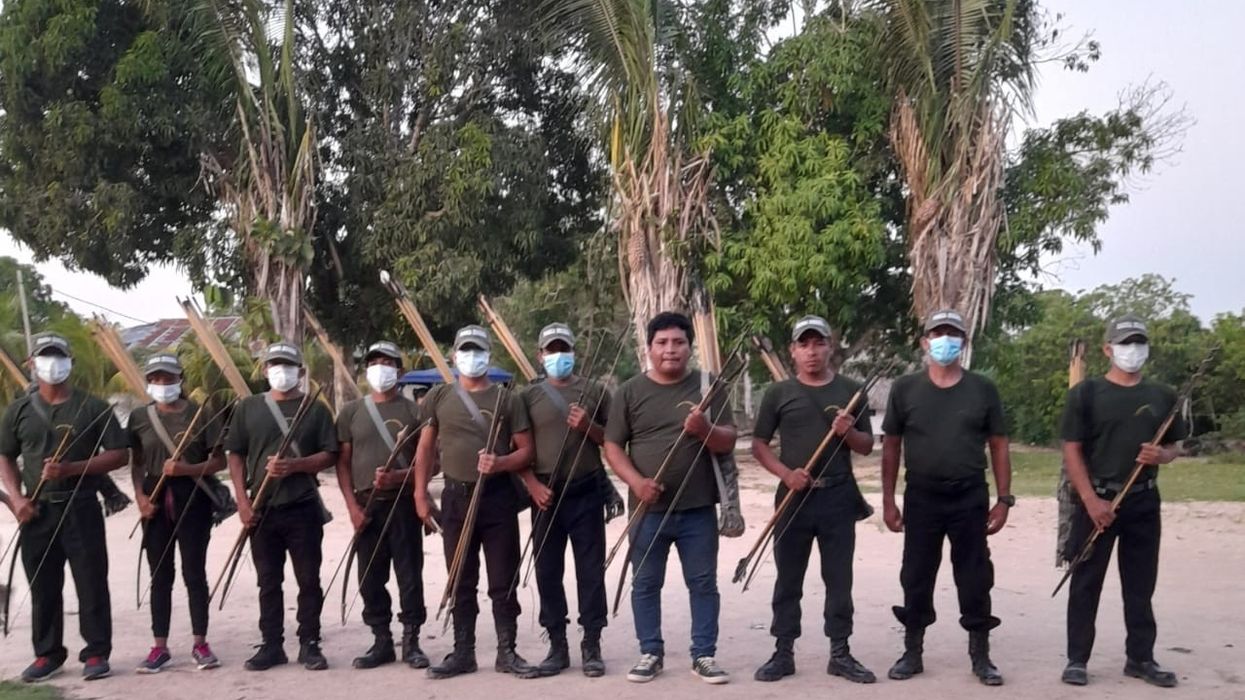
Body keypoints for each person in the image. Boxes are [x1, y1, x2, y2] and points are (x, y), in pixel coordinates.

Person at [604, 311, 736, 685]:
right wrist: (636, 482)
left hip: (698, 511)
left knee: (703, 583)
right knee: (645, 583)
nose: (670, 350)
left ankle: (704, 655)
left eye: (678, 342)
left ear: (689, 347)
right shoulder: (629, 391)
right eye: (661, 343)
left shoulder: (710, 386)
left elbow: (728, 439)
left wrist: (705, 428)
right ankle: (650, 652)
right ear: (649, 348)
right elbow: (612, 446)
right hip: (647, 511)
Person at [881, 309, 1012, 686]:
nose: (945, 341)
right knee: (916, 574)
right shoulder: (905, 389)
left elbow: (999, 445)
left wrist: (1004, 499)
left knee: (974, 575)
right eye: (938, 334)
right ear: (925, 342)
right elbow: (891, 447)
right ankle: (912, 650)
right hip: (921, 495)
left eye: (953, 334)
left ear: (963, 342)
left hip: (969, 495)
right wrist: (889, 500)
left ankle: (981, 654)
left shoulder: (983, 389)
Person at [413, 325, 549, 680]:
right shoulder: (439, 397)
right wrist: (420, 493)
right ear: (455, 356)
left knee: (503, 579)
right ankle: (463, 653)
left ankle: (507, 652)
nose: (472, 357)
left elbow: (527, 451)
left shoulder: (509, 399)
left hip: (498, 498)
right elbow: (425, 449)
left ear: (488, 355)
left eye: (478, 350)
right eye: (465, 350)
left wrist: (501, 463)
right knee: (460, 577)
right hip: (456, 498)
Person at [1058, 315, 1187, 688]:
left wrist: (1161, 456)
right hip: (1097, 499)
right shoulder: (1086, 393)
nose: (1133, 350)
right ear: (1108, 349)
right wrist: (1091, 500)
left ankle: (1141, 658)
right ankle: (1077, 659)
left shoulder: (1162, 395)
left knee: (1141, 583)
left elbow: (1175, 446)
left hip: (1143, 501)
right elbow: (1072, 449)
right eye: (1125, 343)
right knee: (1085, 581)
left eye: (1138, 342)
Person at [750, 315, 876, 684]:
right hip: (792, 497)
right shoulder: (778, 394)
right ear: (792, 351)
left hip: (837, 495)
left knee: (839, 579)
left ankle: (840, 652)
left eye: (818, 343)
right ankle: (783, 652)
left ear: (829, 346)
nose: (811, 351)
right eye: (803, 344)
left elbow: (867, 446)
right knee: (788, 579)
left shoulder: (852, 391)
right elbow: (759, 445)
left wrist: (848, 431)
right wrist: (786, 474)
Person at [0, 332, 129, 682]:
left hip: (81, 506)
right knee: (43, 585)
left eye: (58, 355)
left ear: (69, 362)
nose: (52, 363)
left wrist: (72, 469)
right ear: (31, 363)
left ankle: (96, 653)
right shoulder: (19, 410)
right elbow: (5, 457)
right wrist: (15, 498)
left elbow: (119, 453)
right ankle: (48, 654)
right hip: (37, 511)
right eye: (45, 356)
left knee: (91, 582)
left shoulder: (92, 407)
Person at [225, 342, 338, 672]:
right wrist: (243, 503)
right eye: (274, 364)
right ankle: (272, 645)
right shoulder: (248, 408)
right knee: (268, 581)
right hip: (262, 509)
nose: (281, 371)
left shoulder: (315, 409)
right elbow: (235, 455)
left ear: (301, 373)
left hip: (302, 506)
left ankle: (310, 643)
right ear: (263, 370)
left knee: (308, 579)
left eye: (288, 365)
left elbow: (331, 454)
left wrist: (298, 465)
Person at [522, 323, 611, 677]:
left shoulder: (596, 391)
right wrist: (531, 484)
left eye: (564, 348)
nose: (558, 355)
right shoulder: (526, 397)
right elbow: (515, 447)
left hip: (586, 490)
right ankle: (557, 644)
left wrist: (588, 426)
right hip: (545, 493)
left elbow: (614, 441)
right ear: (540, 354)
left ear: (573, 351)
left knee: (590, 570)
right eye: (551, 349)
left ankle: (592, 643)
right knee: (547, 571)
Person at [129, 353, 226, 673]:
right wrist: (141, 496)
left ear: (180, 379)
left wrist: (187, 468)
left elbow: (218, 462)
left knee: (194, 573)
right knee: (160, 575)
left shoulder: (201, 414)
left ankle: (200, 642)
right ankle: (160, 647)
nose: (162, 384)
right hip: (155, 500)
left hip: (193, 497)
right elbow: (138, 461)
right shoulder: (140, 417)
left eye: (168, 378)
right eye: (155, 378)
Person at [335, 341, 428, 670]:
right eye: (375, 361)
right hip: (366, 505)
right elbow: (342, 463)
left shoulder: (414, 412)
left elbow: (433, 461)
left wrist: (401, 476)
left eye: (388, 362)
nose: (381, 367)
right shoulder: (351, 412)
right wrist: (351, 508)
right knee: (370, 577)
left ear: (399, 370)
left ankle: (412, 640)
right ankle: (381, 640)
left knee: (409, 574)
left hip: (402, 505)